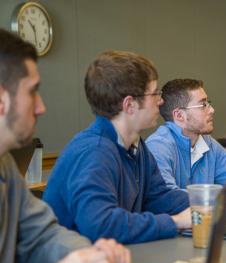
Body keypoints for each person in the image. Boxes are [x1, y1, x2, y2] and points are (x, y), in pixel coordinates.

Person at [0, 29, 130, 263]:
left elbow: (41, 236)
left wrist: (88, 258)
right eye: (32, 91)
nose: (41, 107)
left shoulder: (5, 165)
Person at [43, 51, 192, 245]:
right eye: (155, 93)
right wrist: (176, 222)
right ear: (129, 105)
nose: (161, 100)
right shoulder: (95, 152)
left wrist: (220, 205)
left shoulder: (136, 146)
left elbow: (158, 198)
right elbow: (101, 225)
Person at [146, 79, 226, 215]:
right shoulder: (158, 147)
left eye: (208, 103)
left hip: (205, 223)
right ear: (179, 115)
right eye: (203, 105)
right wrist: (225, 201)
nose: (212, 110)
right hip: (175, 231)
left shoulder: (207, 142)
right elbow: (168, 197)